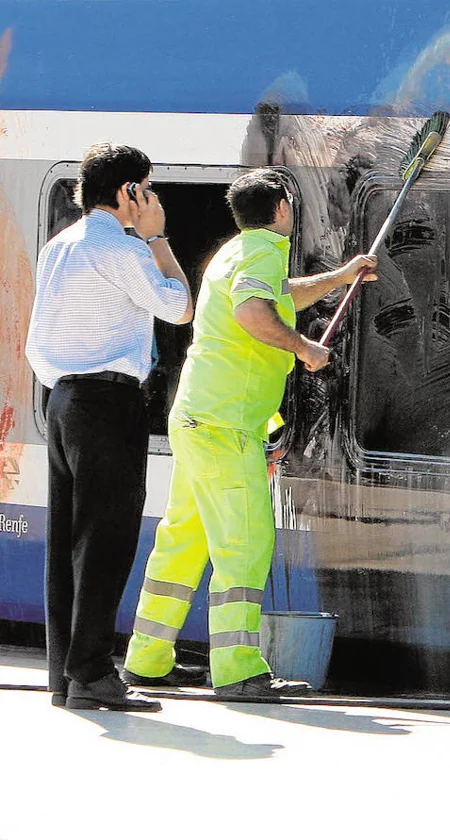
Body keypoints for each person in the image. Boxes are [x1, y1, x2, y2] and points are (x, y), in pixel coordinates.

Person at [123, 168, 377, 697]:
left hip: (197, 416)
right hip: (228, 425)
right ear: (282, 208)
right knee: (244, 544)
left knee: (183, 541)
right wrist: (302, 348)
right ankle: (238, 670)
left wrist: (340, 276)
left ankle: (146, 660)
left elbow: (278, 295)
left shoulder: (237, 251)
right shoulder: (264, 250)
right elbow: (252, 311)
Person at [26, 142, 195, 711]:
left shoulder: (59, 245)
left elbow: (36, 340)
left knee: (67, 542)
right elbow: (178, 307)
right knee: (106, 540)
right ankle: (94, 673)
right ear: (129, 193)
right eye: (146, 189)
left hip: (63, 397)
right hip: (107, 403)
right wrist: (156, 237)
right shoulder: (119, 248)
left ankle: (66, 677)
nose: (151, 200)